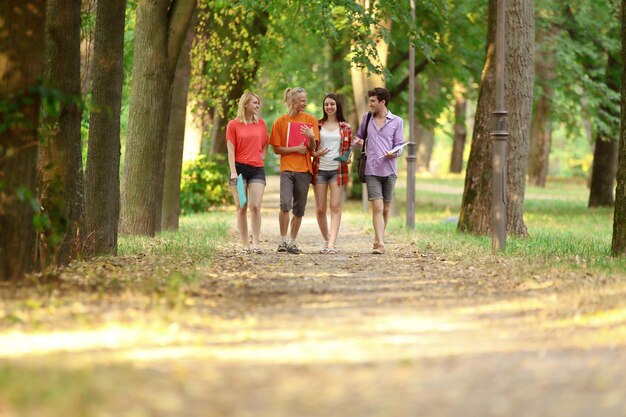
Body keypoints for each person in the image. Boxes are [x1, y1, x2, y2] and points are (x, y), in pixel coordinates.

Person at [353, 87, 404, 254]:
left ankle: (377, 238)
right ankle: (381, 243)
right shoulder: (366, 118)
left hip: (389, 170)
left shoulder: (397, 121)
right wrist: (358, 141)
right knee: (377, 207)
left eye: (373, 101)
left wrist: (394, 153)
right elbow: (359, 136)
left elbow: (400, 145)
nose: (370, 104)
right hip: (371, 169)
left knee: (386, 209)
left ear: (382, 102)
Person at [269, 87, 319, 254]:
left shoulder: (311, 120)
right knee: (285, 205)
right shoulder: (280, 122)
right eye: (302, 100)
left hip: (304, 170)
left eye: (305, 100)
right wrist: (295, 148)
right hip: (287, 170)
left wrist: (311, 136)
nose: (305, 103)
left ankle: (293, 242)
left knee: (299, 208)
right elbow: (276, 149)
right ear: (292, 101)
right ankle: (282, 241)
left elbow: (312, 149)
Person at [226, 92, 268, 254]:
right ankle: (245, 244)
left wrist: (262, 156)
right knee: (241, 206)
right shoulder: (233, 125)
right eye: (255, 103)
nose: (257, 105)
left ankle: (256, 243)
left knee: (255, 206)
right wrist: (233, 172)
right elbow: (231, 150)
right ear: (245, 104)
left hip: (257, 170)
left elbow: (265, 143)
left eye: (258, 103)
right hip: (240, 170)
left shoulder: (261, 124)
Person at [311, 93, 353, 254]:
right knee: (320, 209)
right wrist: (315, 151)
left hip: (338, 171)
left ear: (337, 106)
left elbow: (348, 151)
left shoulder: (345, 127)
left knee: (335, 206)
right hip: (320, 170)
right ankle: (326, 239)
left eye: (332, 104)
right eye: (326, 104)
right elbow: (311, 148)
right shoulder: (317, 125)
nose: (329, 107)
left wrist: (348, 159)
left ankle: (331, 244)